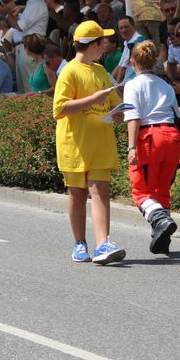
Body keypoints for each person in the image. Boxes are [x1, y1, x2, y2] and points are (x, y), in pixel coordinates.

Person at [53, 20, 126, 265]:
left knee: (100, 190)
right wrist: (93, 100)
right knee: (77, 192)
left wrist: (118, 114)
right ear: (93, 45)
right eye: (101, 41)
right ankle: (79, 243)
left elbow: (113, 103)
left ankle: (103, 243)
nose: (105, 46)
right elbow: (60, 107)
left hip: (100, 140)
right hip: (74, 142)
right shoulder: (70, 71)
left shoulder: (100, 71)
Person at [124, 40, 180, 255]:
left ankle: (160, 221)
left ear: (132, 63)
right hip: (172, 136)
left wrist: (131, 147)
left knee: (141, 191)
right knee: (161, 189)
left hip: (150, 137)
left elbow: (134, 117)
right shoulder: (165, 85)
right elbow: (177, 115)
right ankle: (160, 238)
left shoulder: (133, 85)